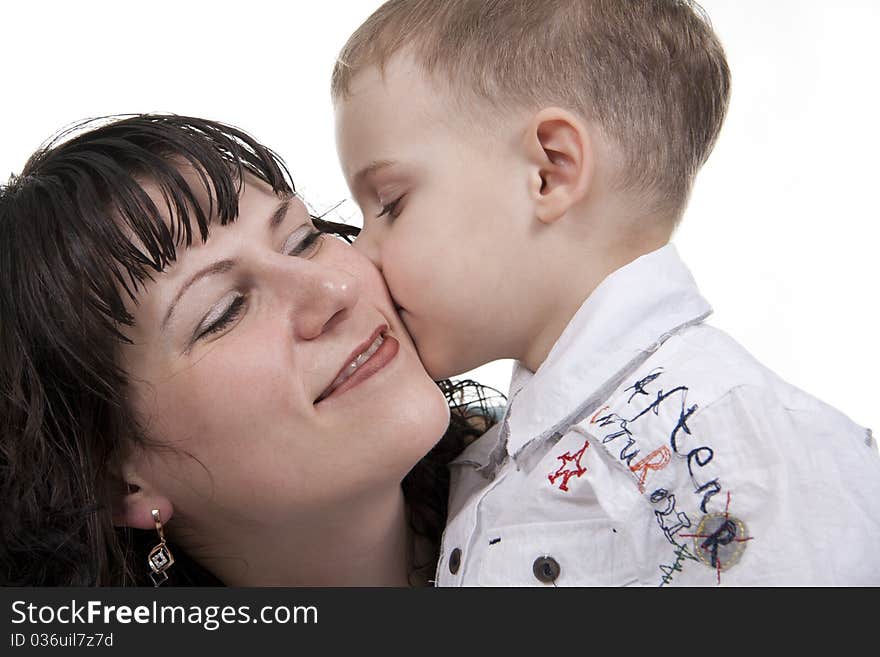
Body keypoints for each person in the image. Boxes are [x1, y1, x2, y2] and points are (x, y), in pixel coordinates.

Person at [332, 0, 880, 585]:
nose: (360, 256)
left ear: (550, 170)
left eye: (389, 204)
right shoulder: (492, 458)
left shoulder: (739, 444)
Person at [0, 113, 498, 586]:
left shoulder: (569, 466)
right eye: (225, 311)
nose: (334, 290)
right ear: (117, 484)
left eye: (302, 240)